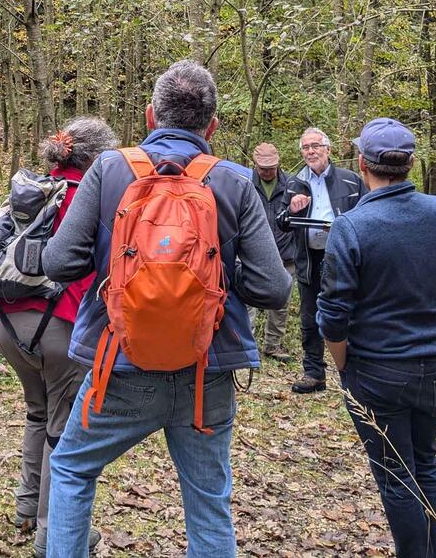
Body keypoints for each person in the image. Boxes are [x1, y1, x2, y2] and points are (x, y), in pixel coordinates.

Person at [42, 60, 291, 558]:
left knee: (72, 469)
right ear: (213, 126)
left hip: (119, 364)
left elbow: (59, 262)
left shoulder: (110, 168)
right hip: (207, 368)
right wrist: (218, 276)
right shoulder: (236, 182)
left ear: (152, 116)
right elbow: (274, 288)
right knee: (207, 499)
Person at [317, 117, 436, 558]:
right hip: (430, 369)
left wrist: (343, 365)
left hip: (377, 372)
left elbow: (332, 317)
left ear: (361, 163)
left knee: (398, 478)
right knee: (425, 467)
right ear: (410, 163)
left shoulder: (353, 226)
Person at [0, 118, 117, 558]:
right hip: (57, 328)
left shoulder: (29, 191)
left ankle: (26, 507)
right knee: (63, 428)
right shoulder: (90, 200)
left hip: (4, 321)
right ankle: (51, 533)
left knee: (37, 412)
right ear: (97, 158)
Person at [280, 127, 365, 395]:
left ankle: (355, 371)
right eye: (306, 148)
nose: (311, 151)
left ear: (328, 149)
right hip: (308, 257)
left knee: (349, 312)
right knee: (309, 316)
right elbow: (281, 222)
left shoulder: (351, 181)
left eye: (316, 146)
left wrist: (343, 228)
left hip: (342, 257)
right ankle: (314, 373)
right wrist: (291, 210)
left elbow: (367, 215)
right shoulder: (294, 183)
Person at [249, 142, 304, 362]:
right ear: (255, 165)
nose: (268, 171)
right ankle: (248, 345)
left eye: (271, 167)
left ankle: (273, 345)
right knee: (248, 300)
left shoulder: (292, 184)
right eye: (263, 168)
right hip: (252, 251)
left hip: (285, 252)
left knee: (281, 302)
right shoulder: (245, 183)